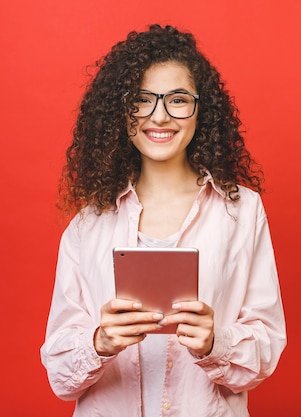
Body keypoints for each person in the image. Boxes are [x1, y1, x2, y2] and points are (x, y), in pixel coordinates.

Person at [40, 24, 286, 417]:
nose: (160, 116)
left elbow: (267, 346)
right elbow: (59, 375)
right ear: (121, 111)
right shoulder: (88, 224)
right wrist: (100, 342)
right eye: (142, 100)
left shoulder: (241, 211)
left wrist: (215, 343)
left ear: (200, 108)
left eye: (177, 100)